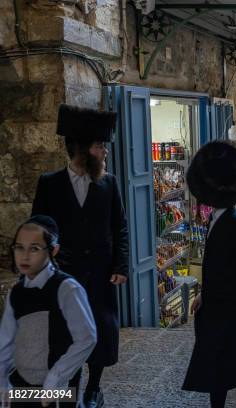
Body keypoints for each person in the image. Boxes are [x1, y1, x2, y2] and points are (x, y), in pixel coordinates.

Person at [31, 104, 128, 408]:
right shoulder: (49, 184)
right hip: (65, 276)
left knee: (98, 333)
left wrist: (121, 265)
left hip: (100, 274)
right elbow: (39, 227)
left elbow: (120, 227)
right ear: (84, 150)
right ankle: (70, 391)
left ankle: (94, 389)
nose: (105, 152)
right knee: (67, 337)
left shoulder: (109, 184)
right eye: (101, 145)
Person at [182, 141, 236, 408]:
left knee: (219, 363)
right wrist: (202, 295)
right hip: (214, 305)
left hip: (233, 308)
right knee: (216, 360)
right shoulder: (216, 218)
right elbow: (214, 264)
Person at [0, 215, 97, 408]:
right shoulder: (16, 292)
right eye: (19, 248)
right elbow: (6, 342)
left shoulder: (67, 289)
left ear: (53, 250)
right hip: (22, 387)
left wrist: (55, 378)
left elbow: (87, 338)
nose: (25, 256)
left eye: (34, 249)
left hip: (57, 389)